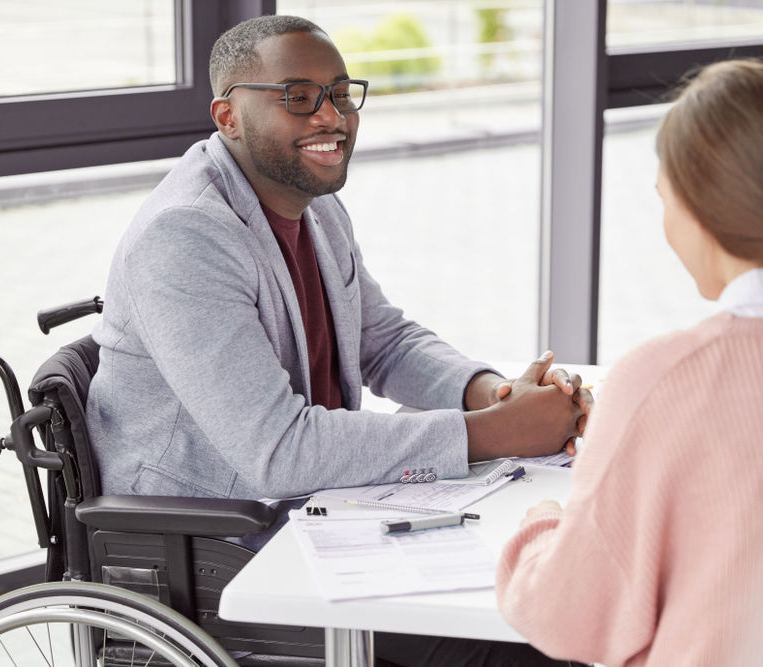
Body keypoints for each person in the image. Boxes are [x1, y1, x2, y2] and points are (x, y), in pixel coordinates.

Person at [87, 14, 590, 666]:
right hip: (220, 540)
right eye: (299, 96)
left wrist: (492, 394)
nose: (333, 116)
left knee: (544, 590)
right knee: (523, 639)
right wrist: (496, 433)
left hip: (321, 508)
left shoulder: (313, 202)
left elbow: (383, 340)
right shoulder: (185, 236)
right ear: (227, 116)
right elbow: (279, 449)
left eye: (342, 92)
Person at [495, 59, 763, 666]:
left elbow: (565, 615)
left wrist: (545, 522)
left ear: (697, 207)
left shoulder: (656, 380)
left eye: (663, 198)